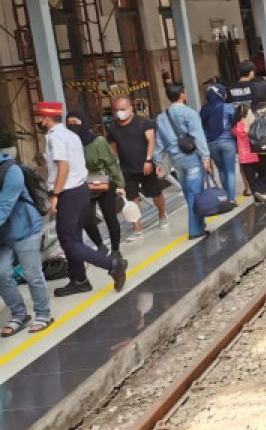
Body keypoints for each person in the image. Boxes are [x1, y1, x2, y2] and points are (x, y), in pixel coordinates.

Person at [35, 101, 127, 295]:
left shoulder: (55, 137)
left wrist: (56, 195)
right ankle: (79, 280)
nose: (39, 121)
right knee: (74, 237)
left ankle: (112, 264)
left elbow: (63, 167)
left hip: (68, 192)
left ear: (45, 118)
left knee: (67, 240)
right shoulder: (70, 134)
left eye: (40, 117)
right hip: (81, 191)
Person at [0, 149, 52, 335]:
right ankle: (19, 314)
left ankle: (43, 314)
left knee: (32, 274)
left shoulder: (10, 171)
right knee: (1, 274)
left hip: (25, 229)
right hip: (3, 235)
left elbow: (4, 206)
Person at [154, 84, 214, 241]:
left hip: (176, 161)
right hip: (192, 158)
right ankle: (195, 230)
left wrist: (158, 162)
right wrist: (206, 157)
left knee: (189, 193)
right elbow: (198, 136)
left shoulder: (161, 117)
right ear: (182, 95)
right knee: (195, 193)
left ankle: (200, 223)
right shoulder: (190, 113)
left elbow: (159, 143)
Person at [66, 110, 125, 260]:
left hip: (103, 182)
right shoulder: (69, 144)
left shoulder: (97, 141)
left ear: (83, 122)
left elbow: (111, 163)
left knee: (110, 216)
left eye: (76, 122)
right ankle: (100, 245)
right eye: (69, 123)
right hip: (83, 185)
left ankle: (116, 249)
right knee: (86, 218)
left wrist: (119, 183)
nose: (73, 126)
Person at [107, 96, 168, 237]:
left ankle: (162, 215)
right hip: (126, 169)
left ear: (130, 108)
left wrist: (148, 160)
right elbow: (113, 150)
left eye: (122, 109)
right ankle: (137, 227)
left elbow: (151, 142)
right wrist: (115, 170)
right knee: (132, 198)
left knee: (155, 193)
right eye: (116, 110)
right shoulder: (113, 128)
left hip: (145, 166)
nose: (119, 113)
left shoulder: (143, 122)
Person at [200, 84, 238, 204]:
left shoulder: (204, 110)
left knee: (221, 170)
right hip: (228, 143)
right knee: (230, 171)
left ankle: (226, 196)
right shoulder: (228, 107)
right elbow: (235, 124)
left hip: (211, 144)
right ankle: (231, 199)